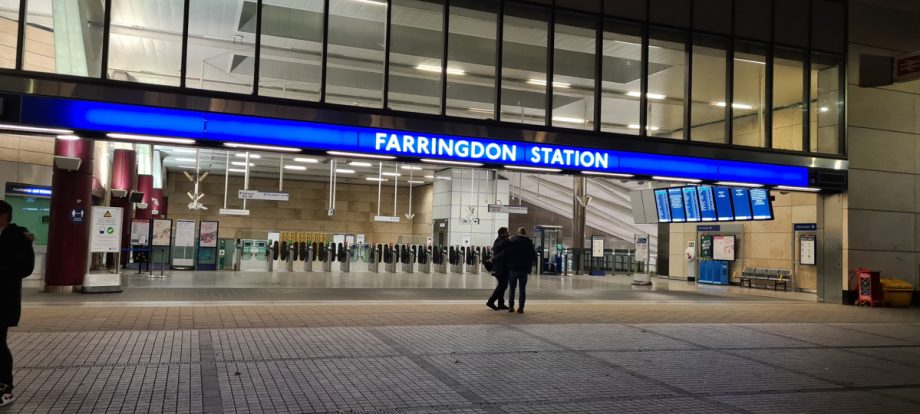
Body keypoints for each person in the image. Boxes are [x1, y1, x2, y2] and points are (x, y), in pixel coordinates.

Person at [0, 200, 35, 407]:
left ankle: (5, 387)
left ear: (4, 216)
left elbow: (24, 269)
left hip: (4, 301)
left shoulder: (18, 237)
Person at [505, 227, 536, 314]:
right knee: (522, 289)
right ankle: (521, 308)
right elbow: (533, 255)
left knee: (512, 288)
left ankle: (511, 307)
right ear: (525, 233)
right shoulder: (529, 243)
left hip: (512, 269)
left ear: (518, 232)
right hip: (523, 270)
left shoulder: (512, 241)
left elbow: (507, 253)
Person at [486, 227, 510, 310]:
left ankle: (501, 304)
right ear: (502, 233)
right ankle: (491, 301)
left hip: (497, 267)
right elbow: (503, 254)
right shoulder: (505, 242)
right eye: (507, 232)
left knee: (502, 285)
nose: (508, 233)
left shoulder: (497, 241)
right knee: (503, 286)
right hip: (502, 267)